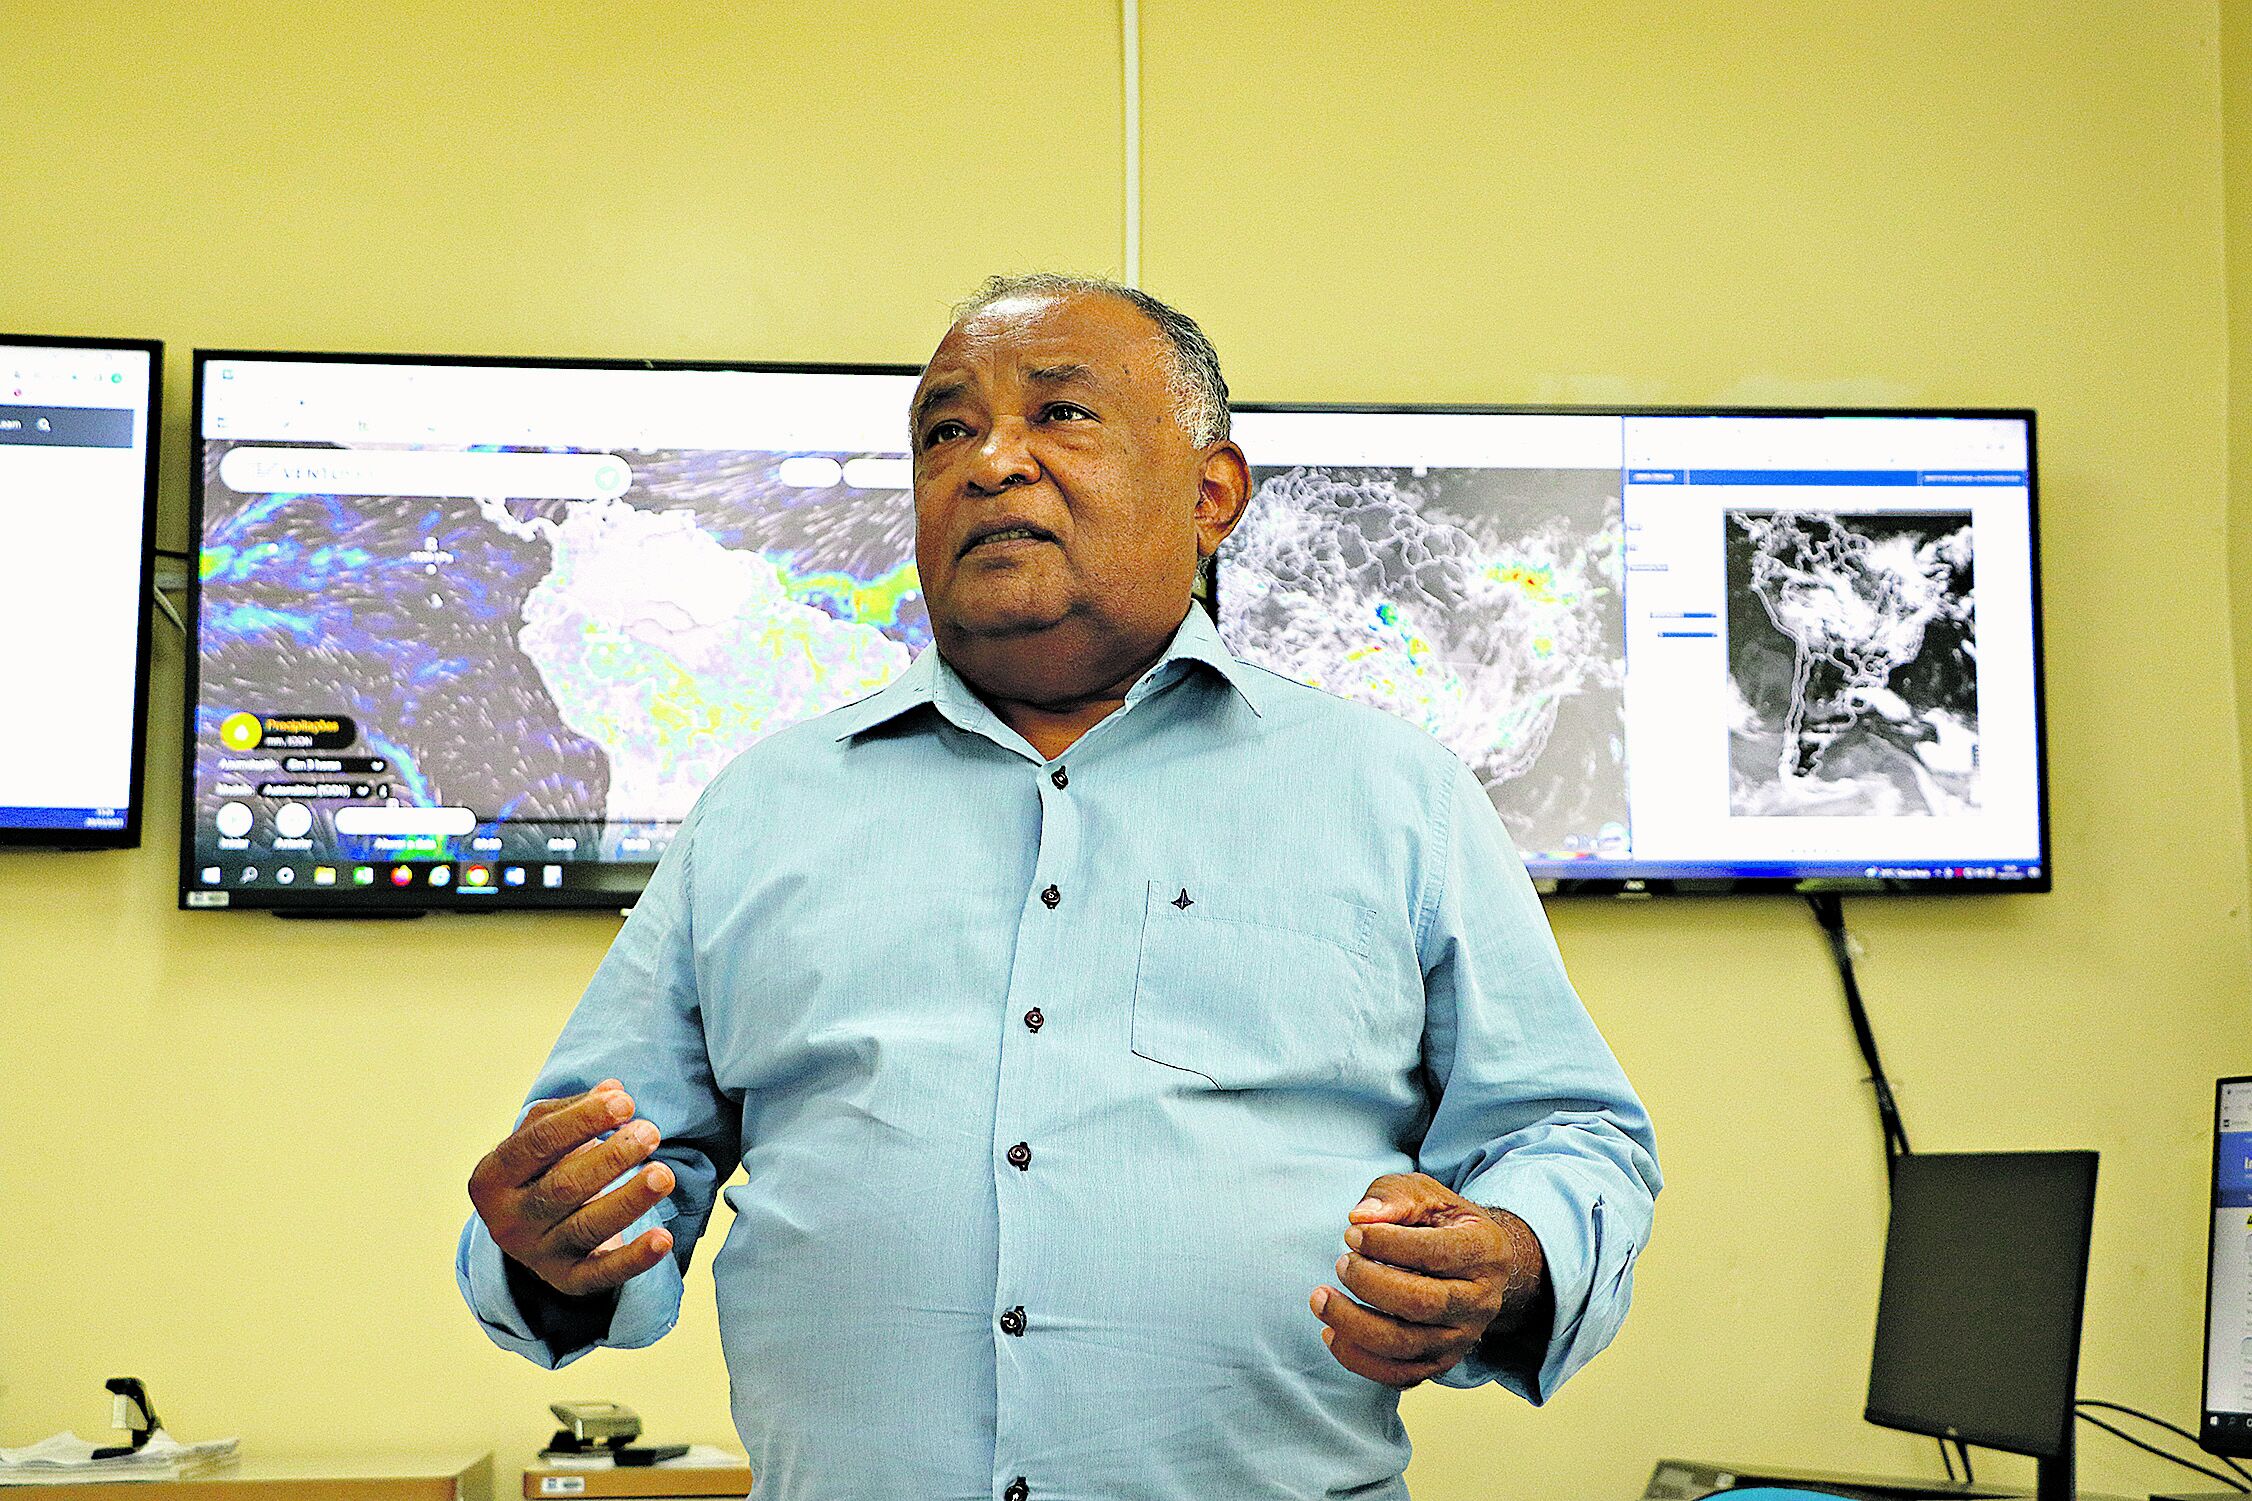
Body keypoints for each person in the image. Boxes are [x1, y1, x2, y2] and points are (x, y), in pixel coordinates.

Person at [460, 274, 1660, 1501]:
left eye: (1061, 415)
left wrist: (1508, 1256)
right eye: (944, 431)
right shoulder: (761, 810)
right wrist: (552, 1244)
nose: (989, 463)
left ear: (1209, 493)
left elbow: (1565, 1136)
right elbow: (593, 1176)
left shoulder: (1391, 793)